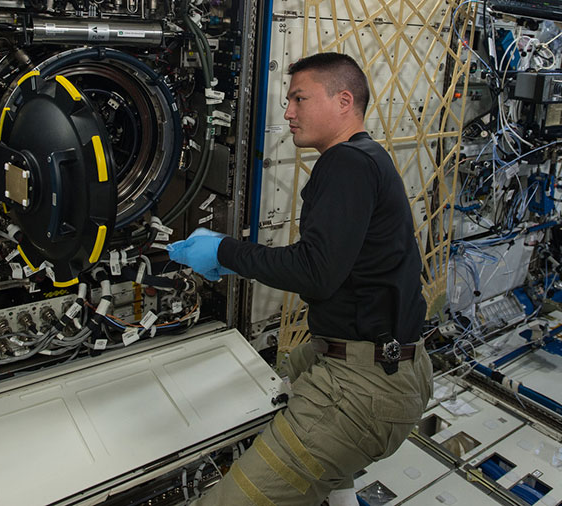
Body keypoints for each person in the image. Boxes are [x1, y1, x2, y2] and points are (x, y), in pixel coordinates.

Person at [168, 53, 433, 506]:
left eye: (298, 98)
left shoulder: (345, 164)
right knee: (269, 382)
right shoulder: (369, 158)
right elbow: (338, 265)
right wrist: (232, 260)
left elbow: (316, 272)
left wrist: (224, 251)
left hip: (363, 389)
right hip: (389, 366)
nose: (288, 112)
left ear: (343, 100)